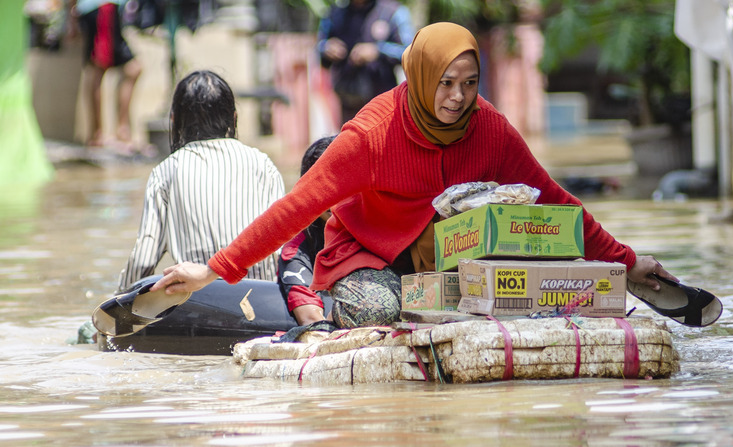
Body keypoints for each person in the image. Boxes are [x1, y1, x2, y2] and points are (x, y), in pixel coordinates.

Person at [151, 22, 675, 328]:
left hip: (449, 257)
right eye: (445, 83)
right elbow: (296, 209)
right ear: (421, 77)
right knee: (382, 313)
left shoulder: (489, 128)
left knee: (519, 292)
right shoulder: (372, 135)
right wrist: (212, 271)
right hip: (372, 257)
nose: (457, 98)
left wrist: (626, 262)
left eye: (470, 83)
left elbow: (555, 203)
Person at [116, 70, 285, 291]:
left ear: (174, 121)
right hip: (261, 297)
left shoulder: (166, 171)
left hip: (198, 301)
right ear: (233, 118)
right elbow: (284, 246)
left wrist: (117, 304)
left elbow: (143, 260)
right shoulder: (263, 164)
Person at [318, 0, 414, 126]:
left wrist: (378, 51)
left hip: (384, 107)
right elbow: (319, 48)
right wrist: (327, 48)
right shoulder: (335, 14)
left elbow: (410, 52)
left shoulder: (393, 12)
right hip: (348, 104)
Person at [278, 135, 336, 325]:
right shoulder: (297, 250)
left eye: (340, 184)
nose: (331, 197)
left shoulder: (381, 233)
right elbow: (312, 320)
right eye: (320, 186)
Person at [71, 0, 142, 151]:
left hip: (100, 9)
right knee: (100, 68)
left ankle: (110, 131)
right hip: (101, 7)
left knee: (128, 69)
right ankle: (100, 133)